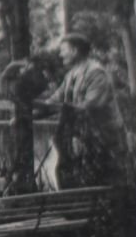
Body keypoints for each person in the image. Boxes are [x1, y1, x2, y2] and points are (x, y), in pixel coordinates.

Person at [40, 33, 126, 189]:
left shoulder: (96, 73)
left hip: (104, 140)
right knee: (70, 175)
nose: (60, 54)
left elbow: (87, 107)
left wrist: (54, 107)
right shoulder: (71, 75)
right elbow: (54, 101)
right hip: (82, 139)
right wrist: (28, 114)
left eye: (63, 50)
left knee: (107, 183)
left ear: (74, 50)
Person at [0, 50, 60, 193]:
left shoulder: (32, 78)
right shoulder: (31, 77)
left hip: (25, 113)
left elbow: (8, 86)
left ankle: (10, 180)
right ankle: (10, 179)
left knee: (20, 151)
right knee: (19, 151)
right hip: (24, 113)